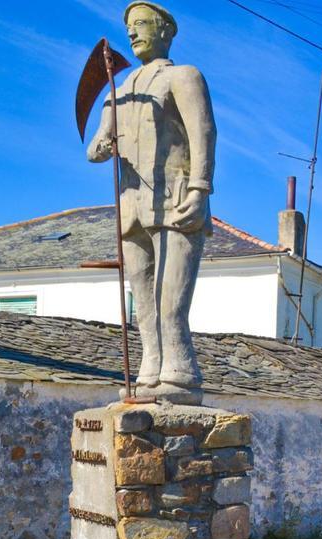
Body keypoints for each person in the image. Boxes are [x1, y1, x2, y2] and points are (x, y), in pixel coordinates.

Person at [87, 1, 216, 403]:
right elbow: (94, 149)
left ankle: (179, 371)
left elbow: (204, 132)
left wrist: (200, 187)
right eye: (129, 26)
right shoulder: (118, 92)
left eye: (141, 23)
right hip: (132, 207)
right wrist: (104, 145)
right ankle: (149, 370)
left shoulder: (183, 76)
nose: (132, 32)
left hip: (176, 200)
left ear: (165, 31)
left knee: (170, 300)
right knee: (142, 299)